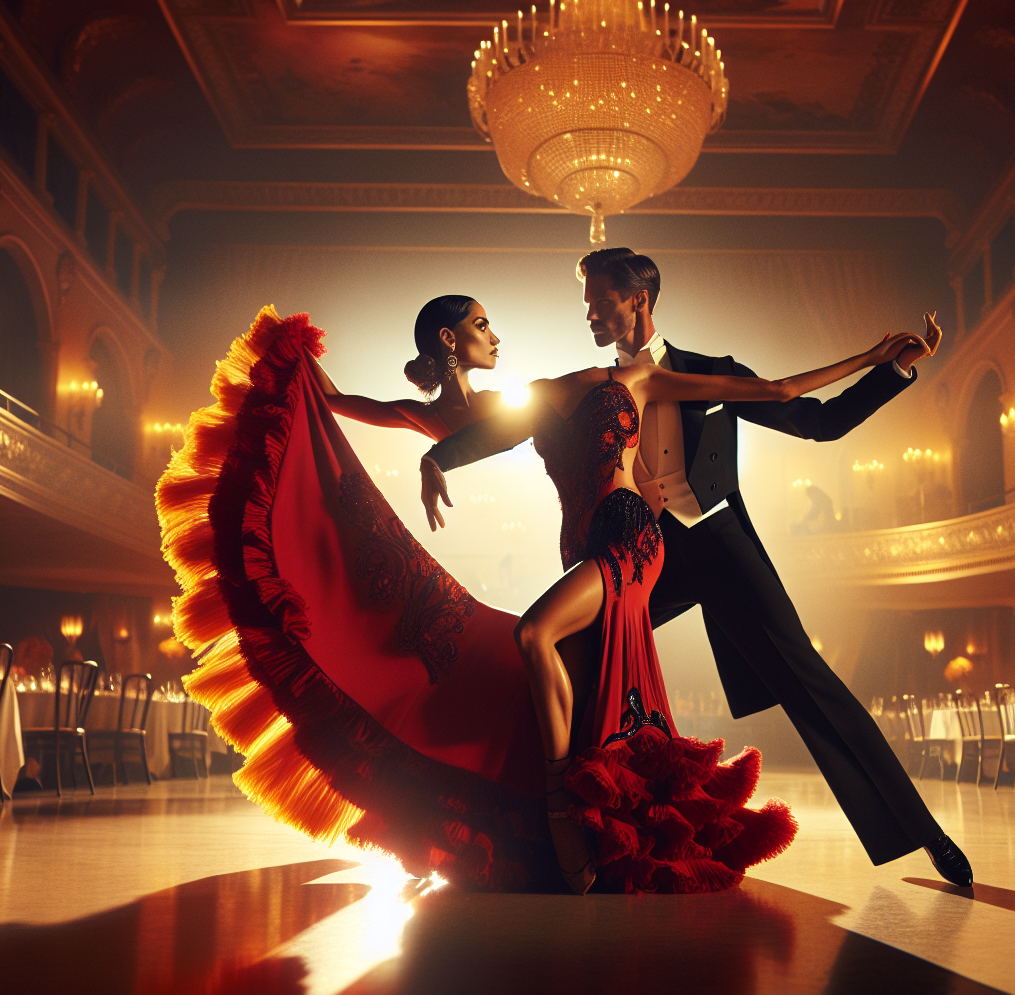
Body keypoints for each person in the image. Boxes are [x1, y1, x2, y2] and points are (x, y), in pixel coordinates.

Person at [156, 296, 904, 894]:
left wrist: (874, 359)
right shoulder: (514, 402)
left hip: (630, 536)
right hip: (586, 546)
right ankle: (579, 826)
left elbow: (775, 392)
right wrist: (301, 373)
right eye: (482, 325)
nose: (498, 335)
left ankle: (562, 812)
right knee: (536, 677)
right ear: (450, 341)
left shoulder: (618, 383)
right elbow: (358, 406)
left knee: (533, 636)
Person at [418, 249, 974, 888]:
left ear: (639, 301)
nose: (591, 313)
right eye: (587, 303)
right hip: (643, 555)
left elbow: (817, 421)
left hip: (720, 544)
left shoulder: (711, 374)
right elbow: (511, 424)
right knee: (565, 656)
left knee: (813, 685)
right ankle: (554, 830)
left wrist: (891, 368)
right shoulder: (592, 382)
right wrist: (443, 457)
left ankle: (924, 833)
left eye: (601, 300)